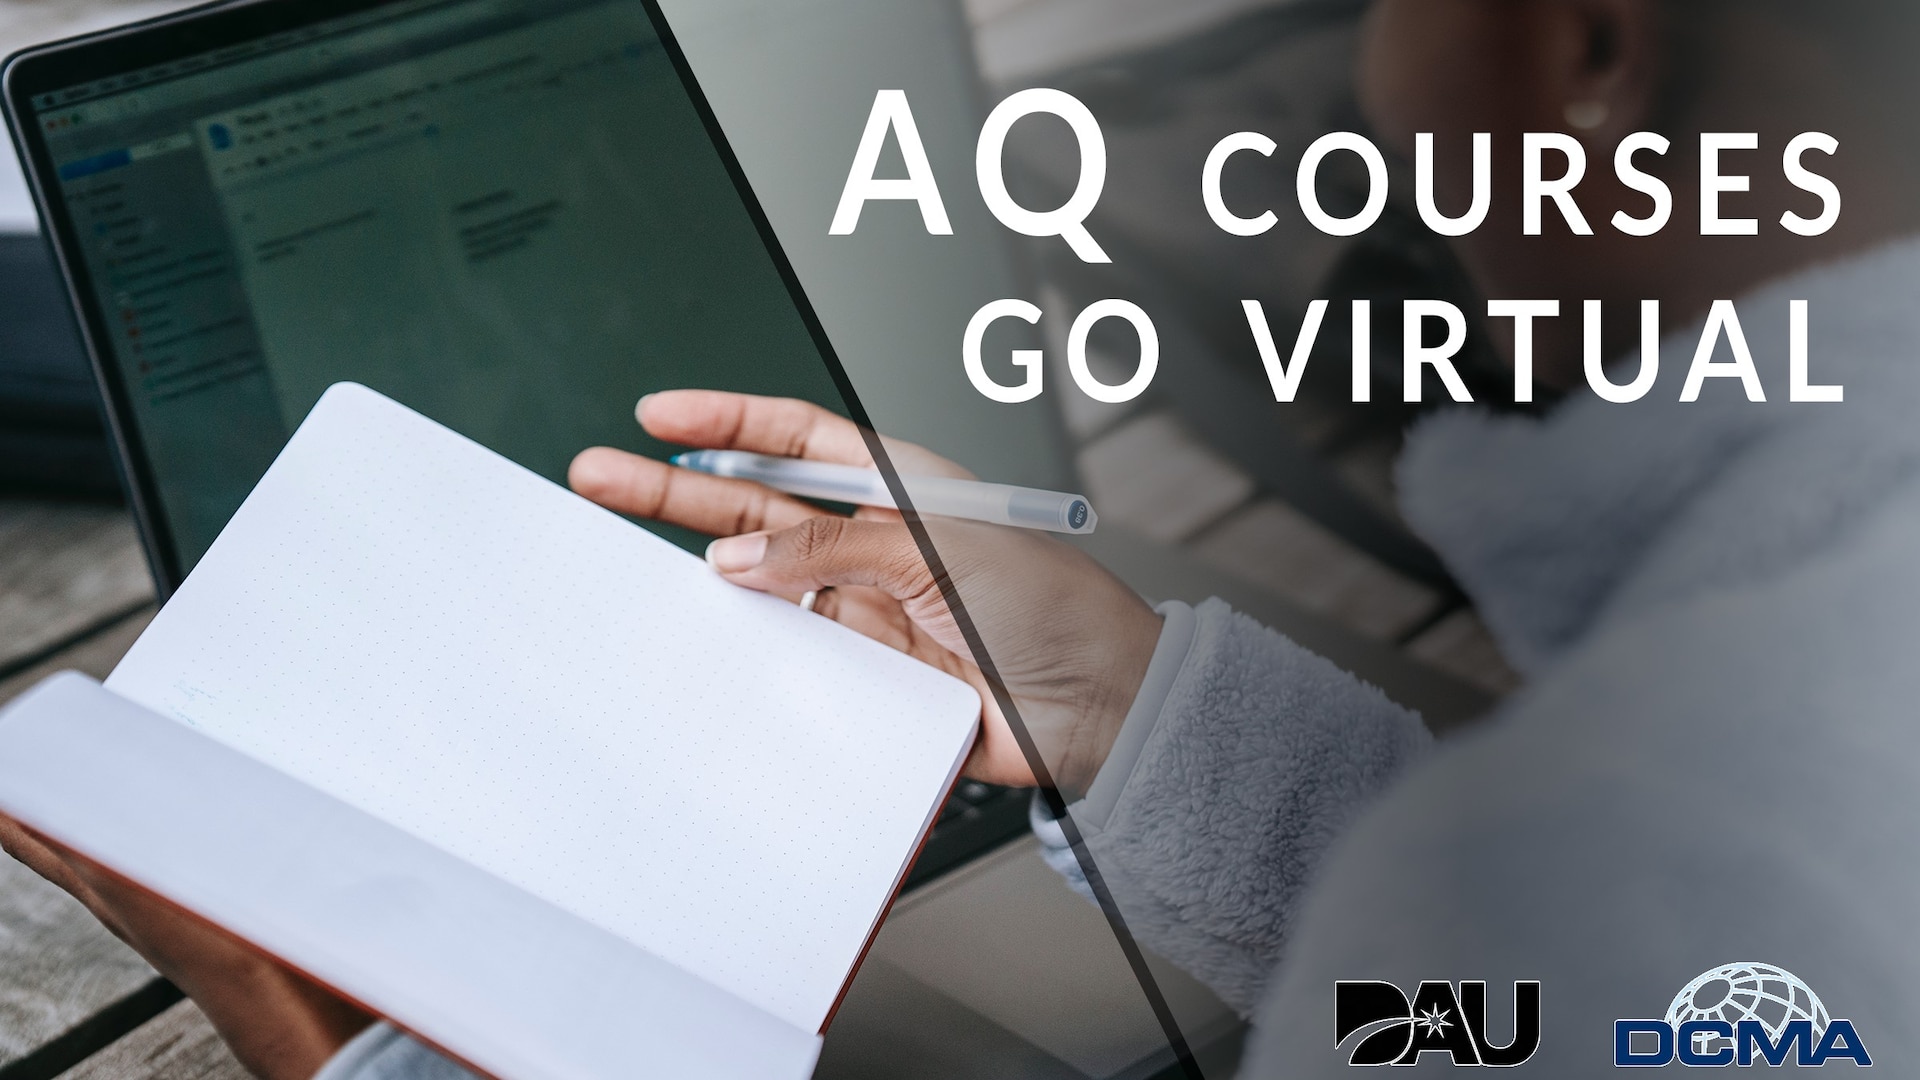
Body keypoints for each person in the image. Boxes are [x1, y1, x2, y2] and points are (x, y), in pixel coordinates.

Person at [8, 0, 1920, 1074]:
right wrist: (1153, 726)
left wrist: (364, 1049)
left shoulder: (1664, 835)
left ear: (1586, 44)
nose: (1365, 76)